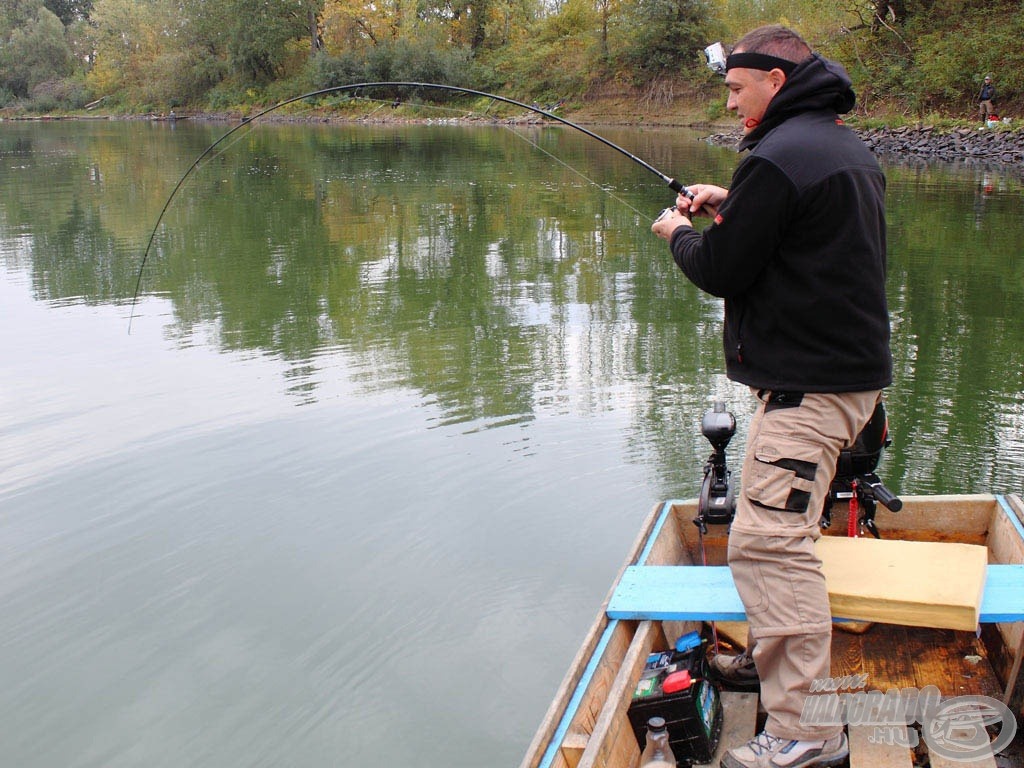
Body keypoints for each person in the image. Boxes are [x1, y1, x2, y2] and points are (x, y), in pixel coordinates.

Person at [651, 25, 892, 768]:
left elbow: (722, 268)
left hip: (811, 392)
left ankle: (806, 733)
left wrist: (675, 233)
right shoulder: (839, 146)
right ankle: (772, 661)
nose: (730, 104)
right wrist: (734, 200)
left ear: (775, 83)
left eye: (736, 89)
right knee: (782, 536)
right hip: (844, 381)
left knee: (767, 548)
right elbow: (802, 240)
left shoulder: (781, 157)